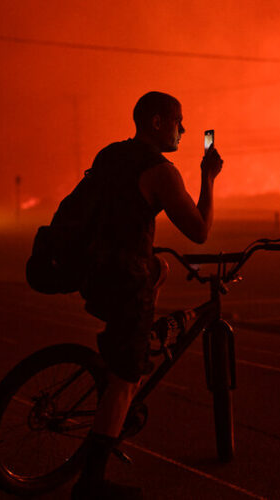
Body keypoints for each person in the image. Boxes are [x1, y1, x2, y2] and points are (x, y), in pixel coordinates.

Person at [71, 91, 223, 499]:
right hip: (125, 279)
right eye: (179, 121)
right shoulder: (161, 171)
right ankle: (92, 483)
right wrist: (208, 177)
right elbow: (199, 231)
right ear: (157, 123)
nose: (185, 130)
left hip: (93, 270)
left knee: (162, 268)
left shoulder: (110, 155)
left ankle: (117, 381)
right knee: (126, 378)